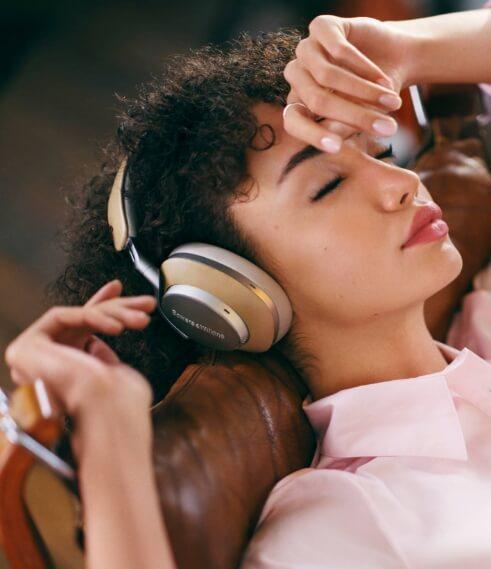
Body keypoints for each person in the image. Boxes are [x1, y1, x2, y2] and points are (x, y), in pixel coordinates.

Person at [3, 5, 491, 568]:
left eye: (380, 151)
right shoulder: (353, 523)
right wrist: (110, 427)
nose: (402, 182)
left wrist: (405, 49)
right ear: (229, 290)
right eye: (328, 186)